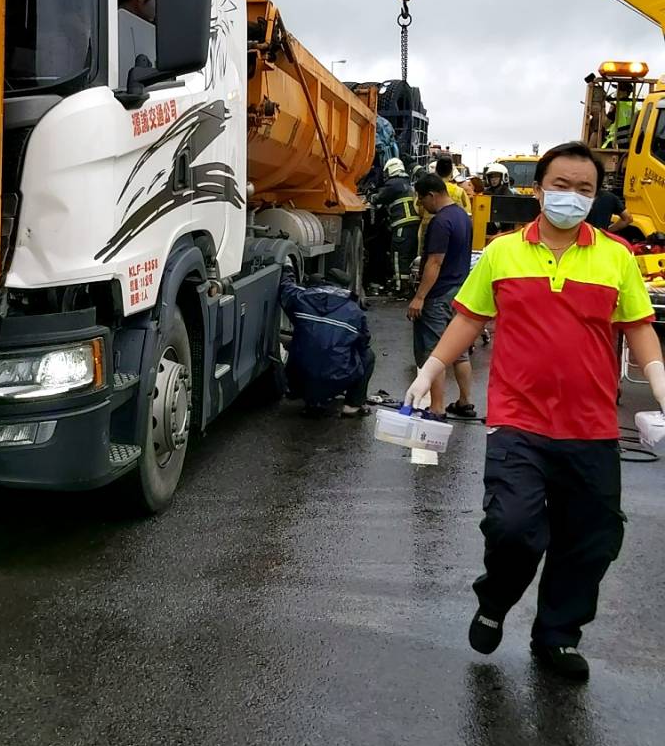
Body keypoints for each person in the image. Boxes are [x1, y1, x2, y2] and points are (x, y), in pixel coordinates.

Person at [406, 140, 665, 680]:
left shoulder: (616, 256)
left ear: (596, 196)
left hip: (592, 426)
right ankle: (495, 600)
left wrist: (659, 382)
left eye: (585, 189)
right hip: (518, 420)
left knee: (591, 539)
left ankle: (557, 636)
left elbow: (639, 328)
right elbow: (470, 317)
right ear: (540, 190)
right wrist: (430, 369)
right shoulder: (503, 252)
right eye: (562, 185)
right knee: (513, 526)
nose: (573, 196)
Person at [407, 175, 476, 418]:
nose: (421, 204)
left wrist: (420, 297)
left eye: (421, 199)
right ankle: (465, 402)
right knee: (459, 351)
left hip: (439, 293)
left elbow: (435, 262)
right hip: (459, 290)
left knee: (434, 351)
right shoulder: (463, 217)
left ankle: (436, 407)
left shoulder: (441, 222)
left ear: (432, 195)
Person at [279, 268, 374, 417]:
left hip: (299, 377)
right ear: (345, 287)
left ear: (324, 281)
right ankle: (352, 405)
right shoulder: (354, 311)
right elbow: (364, 343)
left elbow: (285, 288)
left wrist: (287, 268)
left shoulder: (301, 299)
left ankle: (311, 400)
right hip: (337, 379)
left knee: (301, 343)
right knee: (368, 355)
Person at [372, 158, 419, 292]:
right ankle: (408, 285)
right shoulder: (406, 183)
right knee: (409, 255)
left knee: (399, 256)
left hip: (402, 225)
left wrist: (371, 196)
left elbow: (378, 198)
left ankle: (400, 287)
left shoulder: (393, 184)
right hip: (413, 225)